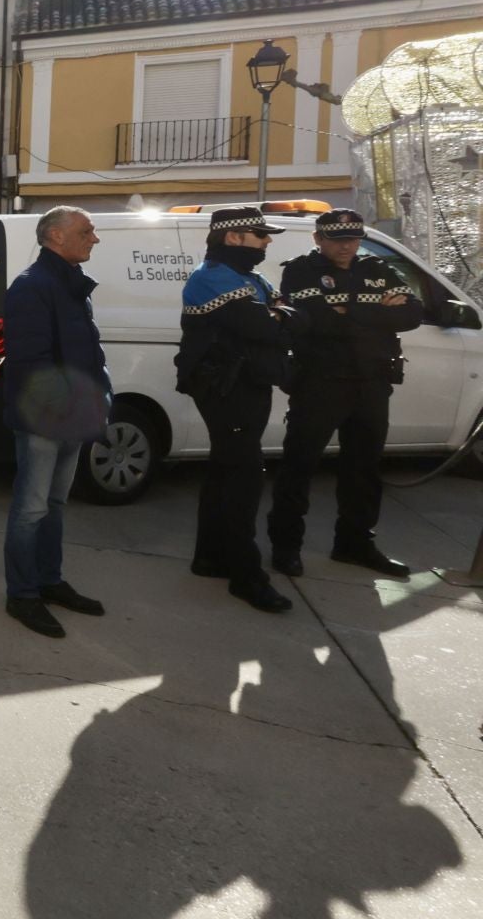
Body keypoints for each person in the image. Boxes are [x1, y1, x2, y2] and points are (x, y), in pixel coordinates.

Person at [268, 209, 421, 578]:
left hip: (371, 384)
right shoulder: (300, 270)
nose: (346, 246)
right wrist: (373, 310)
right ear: (318, 239)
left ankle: (355, 545)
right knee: (299, 467)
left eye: (353, 238)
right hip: (320, 383)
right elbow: (313, 319)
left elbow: (413, 313)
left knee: (364, 471)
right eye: (337, 239)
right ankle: (286, 547)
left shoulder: (378, 268)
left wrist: (345, 311)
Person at [175, 207, 300, 614]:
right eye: (259, 235)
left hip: (246, 385)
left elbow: (288, 316)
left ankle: (209, 557)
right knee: (243, 479)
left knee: (224, 472)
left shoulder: (250, 279)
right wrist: (278, 314)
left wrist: (278, 313)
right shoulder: (211, 276)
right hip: (226, 389)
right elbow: (267, 327)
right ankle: (247, 577)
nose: (267, 242)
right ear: (233, 238)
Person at [0, 207, 112, 638]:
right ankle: (22, 594)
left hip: (73, 417)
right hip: (45, 421)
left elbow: (88, 354)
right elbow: (31, 365)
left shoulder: (70, 283)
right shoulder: (32, 287)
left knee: (55, 506)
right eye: (87, 230)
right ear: (56, 237)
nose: (94, 238)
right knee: (30, 509)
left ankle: (49, 580)